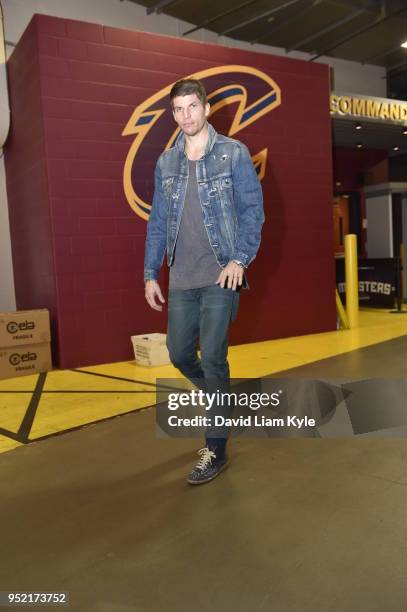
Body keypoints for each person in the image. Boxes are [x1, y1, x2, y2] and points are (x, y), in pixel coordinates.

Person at [144, 78, 264, 485]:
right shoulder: (166, 162)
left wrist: (239, 259)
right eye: (178, 110)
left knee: (212, 356)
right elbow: (158, 223)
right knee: (179, 354)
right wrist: (149, 273)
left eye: (192, 107)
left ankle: (215, 447)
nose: (185, 116)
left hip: (221, 275)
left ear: (206, 108)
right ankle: (221, 398)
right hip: (181, 276)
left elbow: (252, 212)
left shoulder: (233, 153)